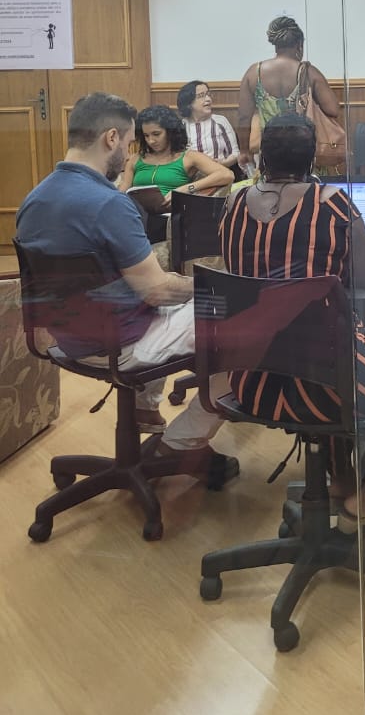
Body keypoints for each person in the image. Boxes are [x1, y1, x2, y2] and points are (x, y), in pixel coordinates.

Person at [220, 112, 365, 531]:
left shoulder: (233, 204)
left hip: (252, 379)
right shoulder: (332, 203)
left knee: (330, 353)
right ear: (312, 160)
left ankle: (342, 477)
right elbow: (361, 279)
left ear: (263, 157)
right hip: (319, 381)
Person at [15, 92, 235, 471]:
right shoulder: (110, 204)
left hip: (64, 338)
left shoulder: (32, 200)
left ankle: (145, 408)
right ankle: (180, 442)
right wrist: (209, 288)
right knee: (242, 317)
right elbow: (158, 291)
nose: (131, 151)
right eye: (131, 141)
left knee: (166, 298)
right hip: (119, 344)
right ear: (111, 138)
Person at [236, 16, 339, 171]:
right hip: (304, 152)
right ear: (299, 44)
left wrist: (244, 150)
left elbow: (243, 117)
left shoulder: (253, 73)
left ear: (275, 44)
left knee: (272, 186)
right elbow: (333, 110)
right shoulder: (309, 72)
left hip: (270, 154)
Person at [119, 105, 233, 241]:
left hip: (169, 220)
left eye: (156, 134)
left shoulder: (188, 157)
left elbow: (226, 175)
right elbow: (122, 190)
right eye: (146, 136)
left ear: (170, 132)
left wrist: (186, 188)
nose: (151, 141)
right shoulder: (136, 159)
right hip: (137, 217)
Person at [176, 80, 240, 170]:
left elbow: (236, 153)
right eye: (201, 96)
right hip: (190, 174)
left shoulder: (220, 121)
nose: (208, 99)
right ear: (189, 103)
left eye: (208, 94)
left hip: (220, 172)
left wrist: (223, 163)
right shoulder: (182, 126)